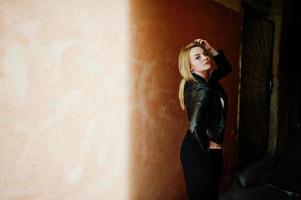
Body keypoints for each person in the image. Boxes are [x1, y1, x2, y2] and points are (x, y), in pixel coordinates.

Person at [178, 38, 232, 200]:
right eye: (197, 57)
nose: (204, 57)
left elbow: (226, 68)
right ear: (190, 66)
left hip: (198, 149)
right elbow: (195, 126)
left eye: (204, 54)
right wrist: (208, 151)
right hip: (201, 153)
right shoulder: (202, 87)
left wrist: (211, 48)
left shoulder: (208, 81)